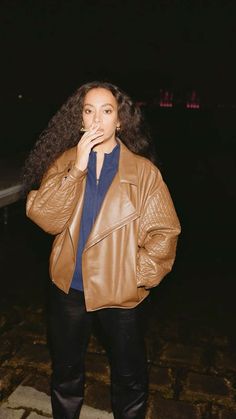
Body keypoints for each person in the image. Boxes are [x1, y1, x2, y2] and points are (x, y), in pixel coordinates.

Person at [23, 81, 181, 419]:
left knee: (130, 378)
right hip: (69, 288)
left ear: (120, 120)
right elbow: (45, 218)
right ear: (80, 120)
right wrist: (76, 168)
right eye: (89, 110)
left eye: (107, 111)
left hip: (121, 293)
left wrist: (136, 275)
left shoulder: (142, 172)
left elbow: (164, 231)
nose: (97, 119)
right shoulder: (65, 163)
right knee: (66, 374)